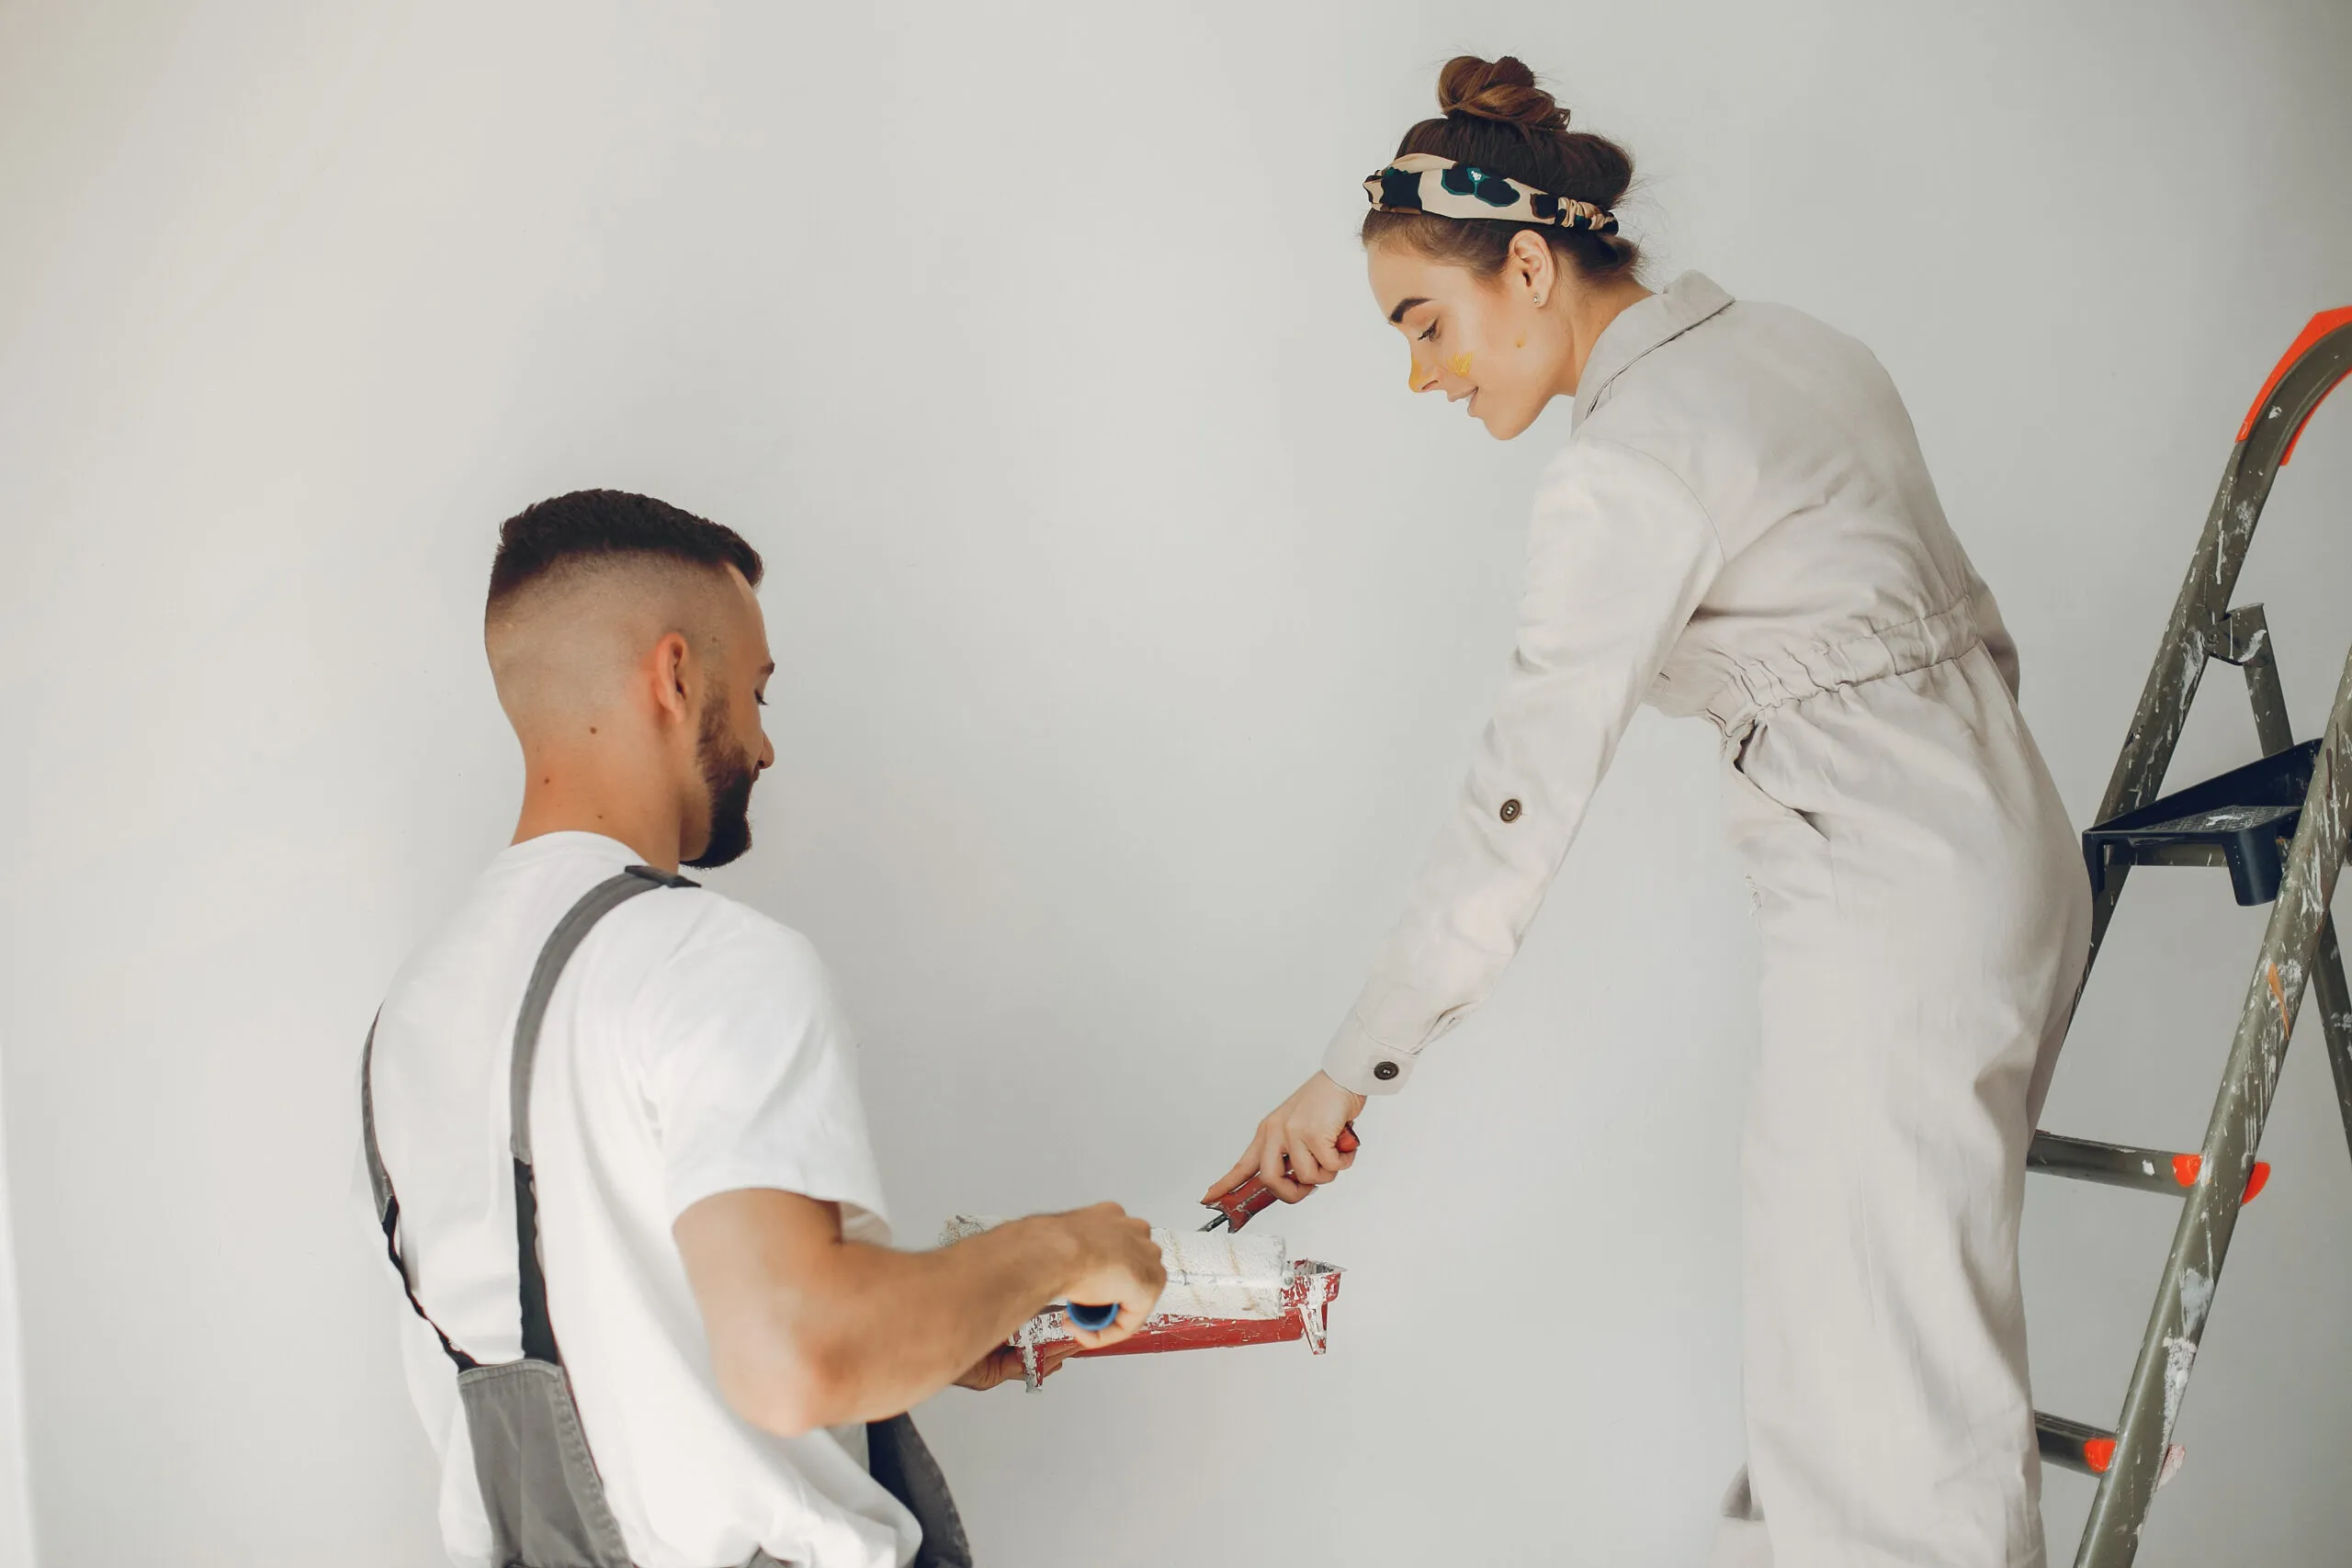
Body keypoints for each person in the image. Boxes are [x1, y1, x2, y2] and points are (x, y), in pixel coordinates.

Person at [1208, 56, 2089, 1568]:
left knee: (1877, 1384)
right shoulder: (1801, 348)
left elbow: (1517, 803)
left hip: (1885, 901)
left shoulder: (1627, 467)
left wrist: (1345, 1071)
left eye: (1426, 322)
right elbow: (1967, 626)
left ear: (1532, 267)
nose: (1424, 372)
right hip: (2004, 850)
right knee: (1893, 1335)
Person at [364, 489, 1166, 1568]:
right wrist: (1061, 1247)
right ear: (676, 675)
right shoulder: (710, 960)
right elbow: (794, 1356)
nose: (765, 746)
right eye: (755, 694)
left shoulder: (410, 1021)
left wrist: (934, 1318)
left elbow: (634, 1330)